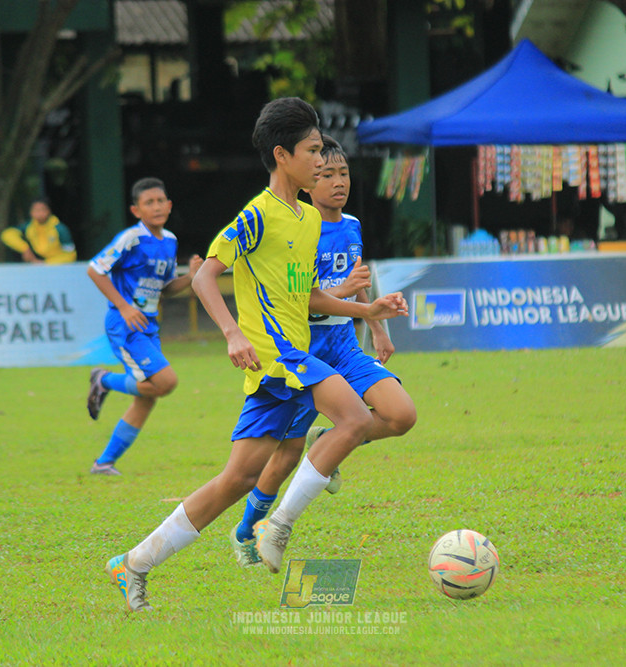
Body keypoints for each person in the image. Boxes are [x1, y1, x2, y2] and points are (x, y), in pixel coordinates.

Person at [103, 97, 408, 612]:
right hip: (276, 356)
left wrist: (366, 309)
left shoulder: (307, 218)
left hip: (291, 359)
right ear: (282, 155)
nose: (321, 161)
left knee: (237, 479)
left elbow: (308, 296)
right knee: (355, 418)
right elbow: (205, 275)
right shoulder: (257, 214)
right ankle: (277, 527)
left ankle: (133, 562)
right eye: (313, 151)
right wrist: (231, 333)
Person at [228, 135, 417, 567]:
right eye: (327, 174)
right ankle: (247, 531)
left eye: (343, 173)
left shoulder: (351, 225)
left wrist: (377, 327)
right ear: (309, 180)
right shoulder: (299, 228)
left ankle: (327, 439)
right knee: (285, 455)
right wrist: (346, 292)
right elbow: (303, 299)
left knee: (401, 415)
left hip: (344, 347)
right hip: (303, 353)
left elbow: (357, 278)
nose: (338, 182)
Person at [85, 177, 203, 475]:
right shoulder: (131, 238)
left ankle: (104, 463)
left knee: (148, 397)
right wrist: (124, 307)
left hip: (148, 325)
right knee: (166, 382)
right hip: (125, 323)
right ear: (136, 210)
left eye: (161, 201)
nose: (157, 206)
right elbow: (95, 270)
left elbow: (165, 288)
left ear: (170, 205)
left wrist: (191, 277)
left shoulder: (170, 241)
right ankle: (104, 380)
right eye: (149, 203)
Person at [0, 198, 77, 264]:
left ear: (49, 211)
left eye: (42, 210)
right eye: (36, 210)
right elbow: (7, 234)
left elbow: (70, 255)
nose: (39, 213)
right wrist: (24, 248)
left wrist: (46, 263)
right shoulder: (28, 227)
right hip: (37, 265)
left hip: (57, 266)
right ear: (31, 212)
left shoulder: (60, 229)